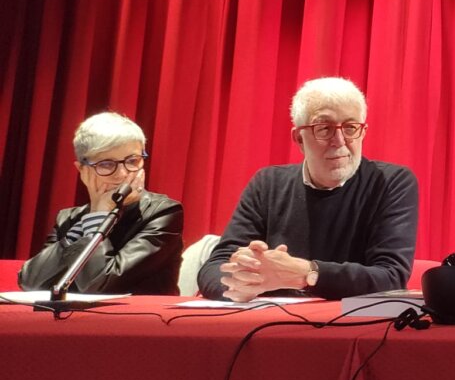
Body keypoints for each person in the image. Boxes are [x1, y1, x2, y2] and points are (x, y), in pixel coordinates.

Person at [197, 77, 418, 301]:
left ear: (363, 132)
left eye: (350, 128)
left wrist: (306, 274)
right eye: (324, 129)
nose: (339, 140)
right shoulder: (268, 184)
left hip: (349, 321)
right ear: (298, 138)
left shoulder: (390, 182)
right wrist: (241, 282)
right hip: (271, 318)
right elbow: (215, 267)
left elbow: (391, 277)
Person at [19, 112, 184, 294]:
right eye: (106, 164)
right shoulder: (69, 218)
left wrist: (99, 216)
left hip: (138, 312)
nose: (122, 174)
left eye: (132, 161)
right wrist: (89, 220)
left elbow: (98, 284)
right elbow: (30, 282)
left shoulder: (162, 212)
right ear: (82, 170)